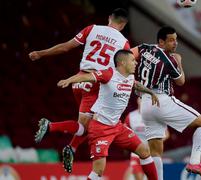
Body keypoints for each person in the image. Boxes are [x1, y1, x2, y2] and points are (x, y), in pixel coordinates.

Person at [30, 8, 130, 173]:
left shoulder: (92, 29)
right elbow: (124, 68)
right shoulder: (124, 42)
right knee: (88, 128)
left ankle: (71, 148)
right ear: (124, 24)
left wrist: (41, 53)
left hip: (79, 81)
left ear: (110, 17)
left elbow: (66, 47)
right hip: (95, 84)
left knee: (86, 126)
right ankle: (51, 127)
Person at [56, 50, 158, 180]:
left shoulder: (130, 77)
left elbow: (135, 85)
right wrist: (69, 80)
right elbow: (87, 76)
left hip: (117, 126)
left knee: (144, 151)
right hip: (100, 128)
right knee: (98, 171)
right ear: (122, 62)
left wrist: (150, 92)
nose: (136, 63)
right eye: (133, 60)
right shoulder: (109, 74)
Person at [131, 26, 201, 179]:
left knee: (155, 151)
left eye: (176, 39)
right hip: (161, 100)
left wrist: (132, 77)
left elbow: (128, 55)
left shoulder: (144, 48)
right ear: (161, 42)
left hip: (145, 105)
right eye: (171, 40)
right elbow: (181, 81)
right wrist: (179, 61)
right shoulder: (169, 61)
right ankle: (194, 162)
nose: (175, 43)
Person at [123, 98, 169, 180]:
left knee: (152, 177)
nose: (142, 100)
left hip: (152, 152)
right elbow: (124, 133)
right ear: (137, 100)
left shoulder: (155, 116)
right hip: (137, 152)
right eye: (141, 98)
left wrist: (153, 142)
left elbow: (166, 134)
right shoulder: (130, 116)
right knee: (139, 178)